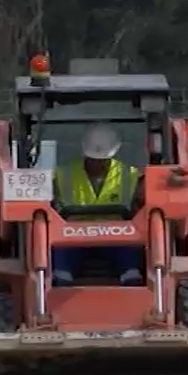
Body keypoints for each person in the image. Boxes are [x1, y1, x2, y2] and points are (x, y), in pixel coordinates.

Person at [52, 123, 144, 286]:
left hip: (118, 236)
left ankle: (132, 281)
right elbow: (49, 204)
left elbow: (141, 204)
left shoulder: (130, 175)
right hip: (73, 236)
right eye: (94, 159)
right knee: (60, 258)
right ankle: (58, 285)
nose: (98, 163)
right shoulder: (62, 174)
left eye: (103, 160)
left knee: (131, 255)